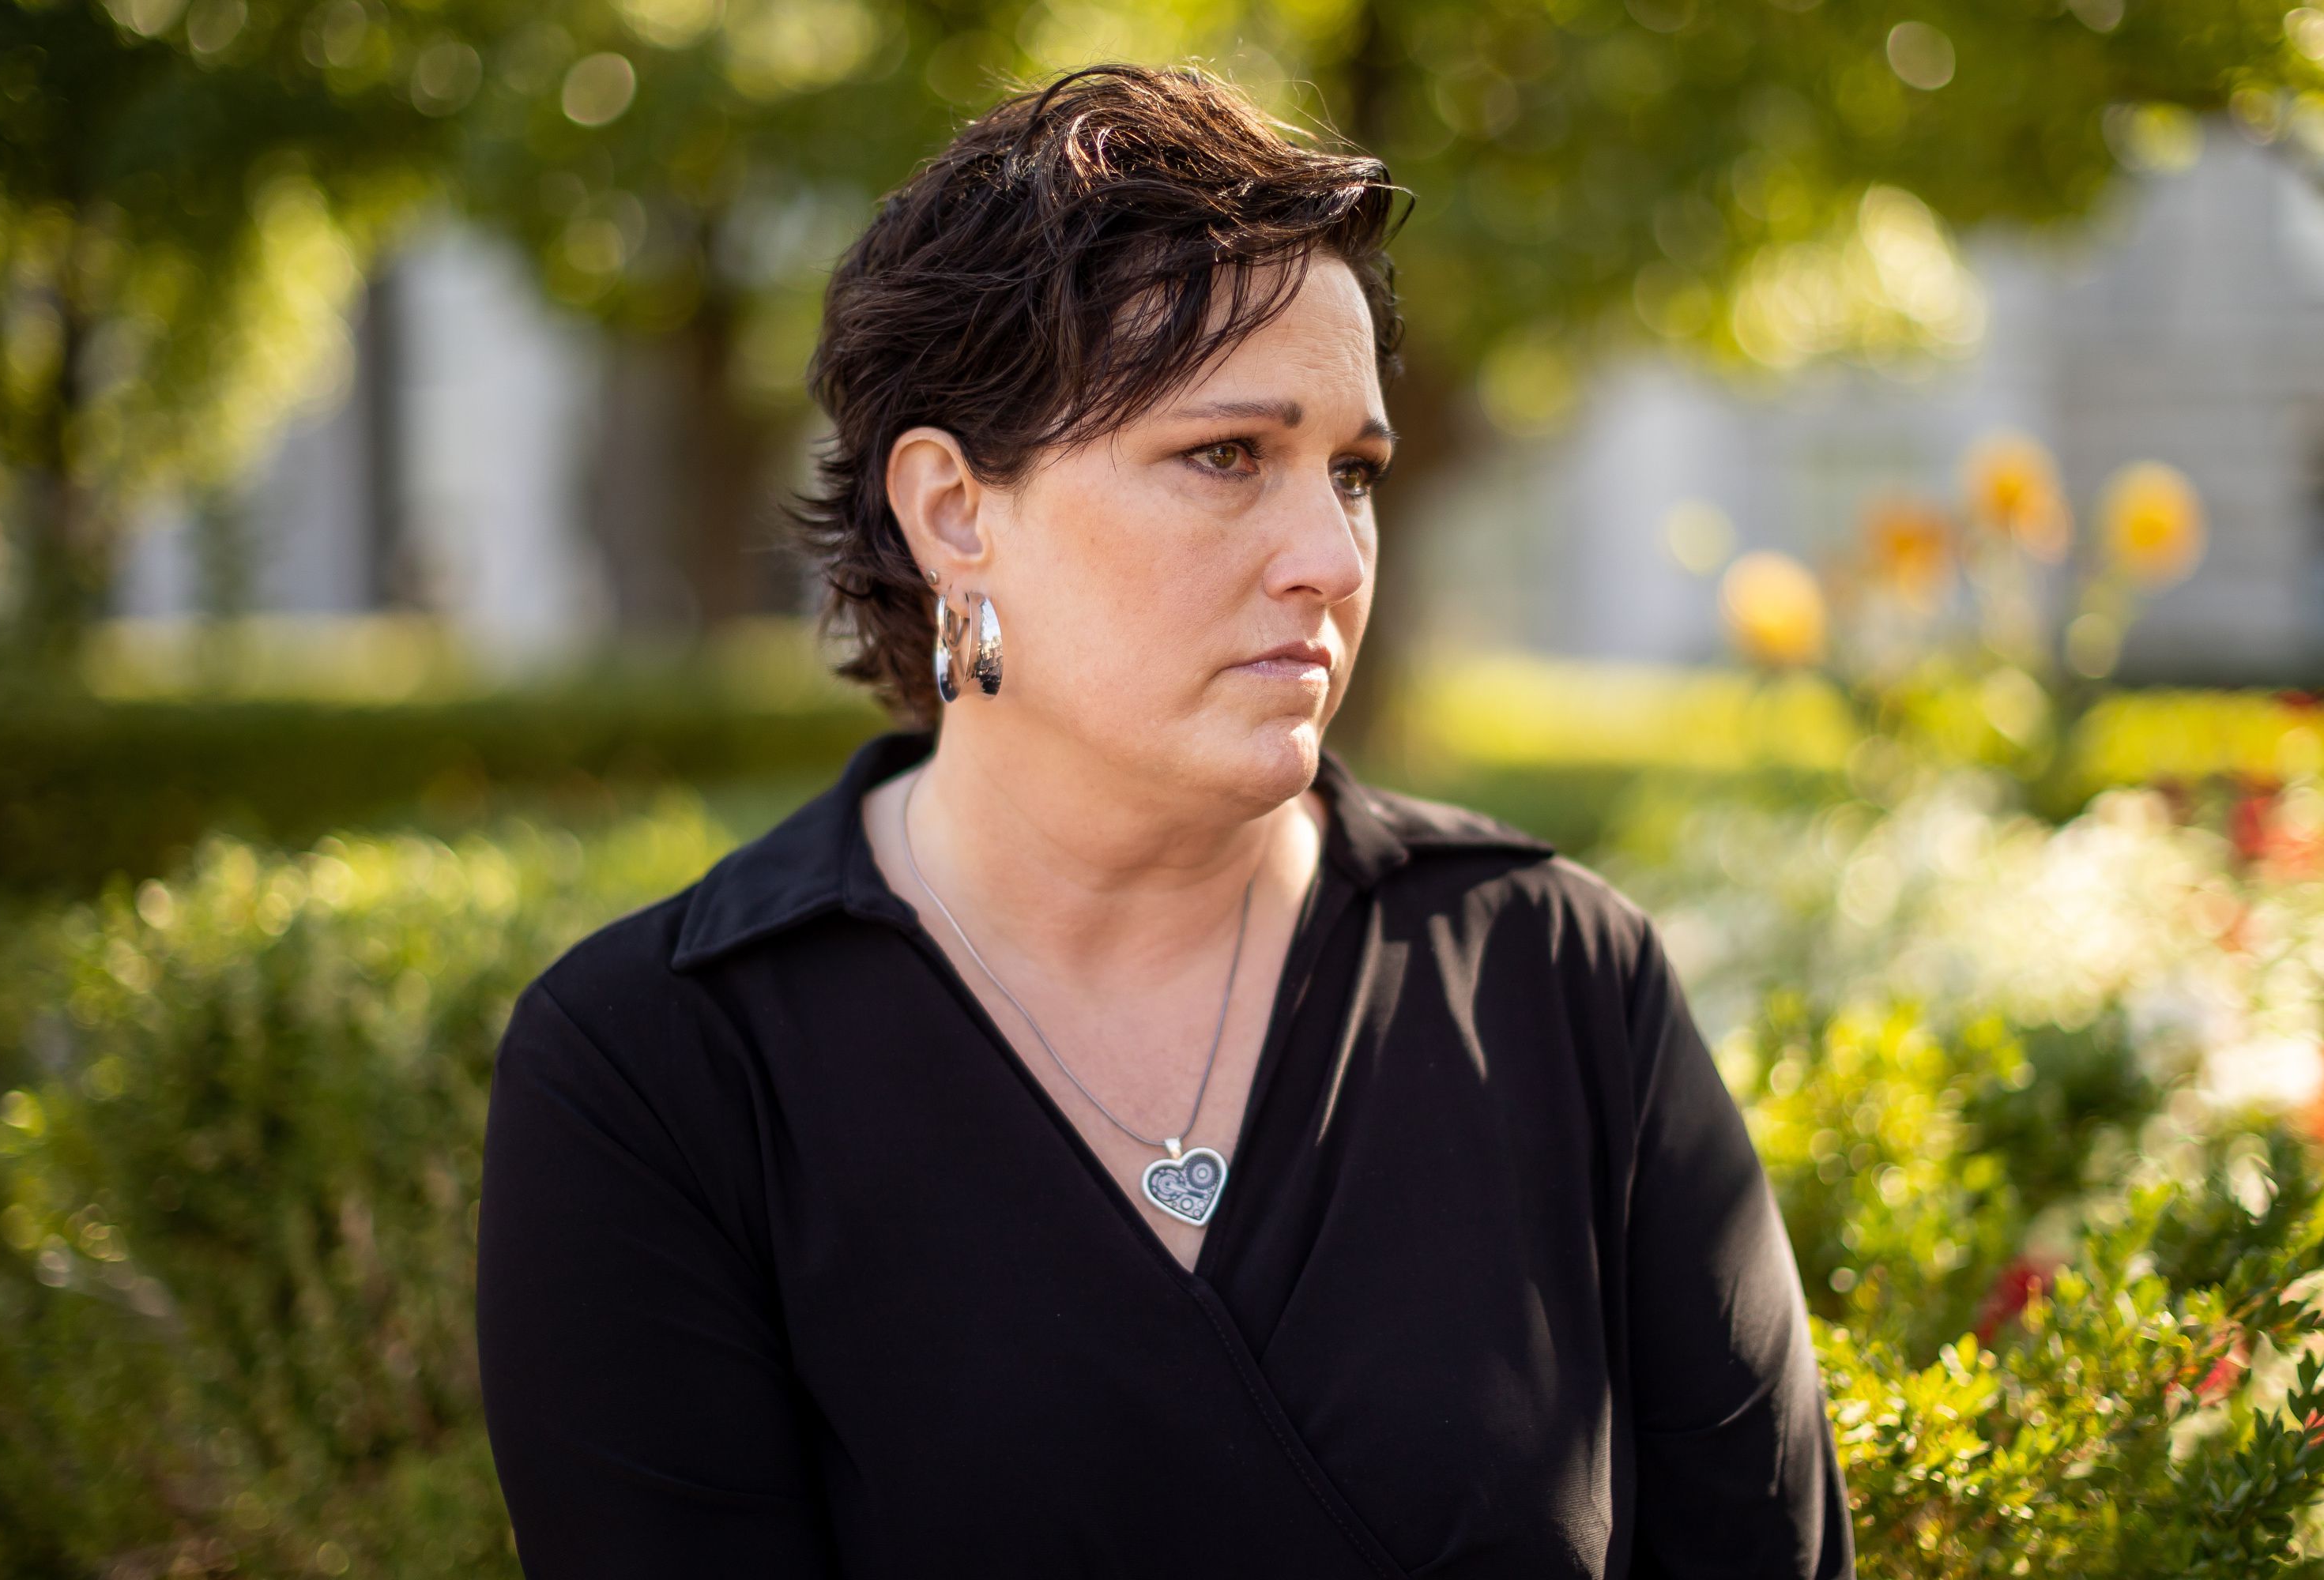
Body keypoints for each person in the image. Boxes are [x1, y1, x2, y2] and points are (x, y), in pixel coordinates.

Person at [475, 61, 1854, 1579]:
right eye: (1225, 456)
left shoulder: (1560, 979)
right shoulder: (660, 1067)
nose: (1333, 557)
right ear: (953, 512)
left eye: (1354, 473)